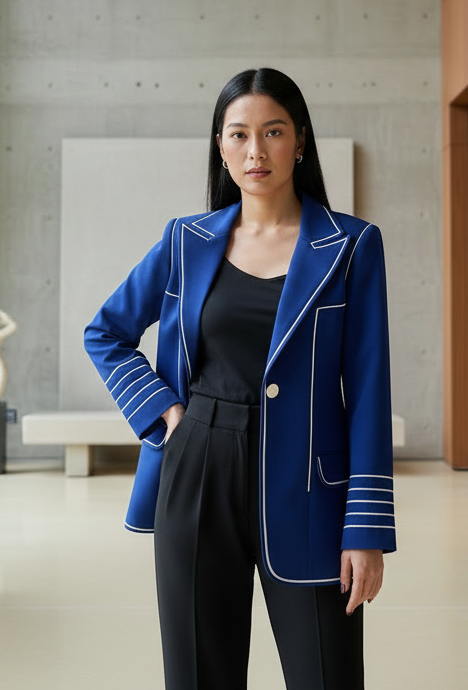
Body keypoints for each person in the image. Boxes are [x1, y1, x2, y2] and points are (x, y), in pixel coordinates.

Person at [84, 67, 396, 690]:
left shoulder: (351, 247)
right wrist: (165, 415)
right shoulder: (185, 241)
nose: (256, 151)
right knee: (200, 675)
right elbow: (107, 332)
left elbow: (367, 391)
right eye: (239, 135)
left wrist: (366, 530)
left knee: (327, 675)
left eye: (273, 132)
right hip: (198, 466)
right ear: (221, 147)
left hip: (311, 483)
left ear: (300, 141)